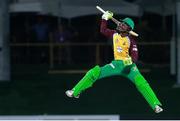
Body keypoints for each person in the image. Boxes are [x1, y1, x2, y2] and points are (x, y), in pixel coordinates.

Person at [65, 11, 163, 113]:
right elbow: (103, 30)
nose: (120, 25)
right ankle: (75, 91)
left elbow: (135, 56)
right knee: (94, 72)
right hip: (115, 64)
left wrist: (131, 60)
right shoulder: (114, 34)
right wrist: (104, 19)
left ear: (129, 29)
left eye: (124, 25)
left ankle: (155, 105)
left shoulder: (131, 41)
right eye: (121, 23)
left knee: (141, 83)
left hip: (129, 67)